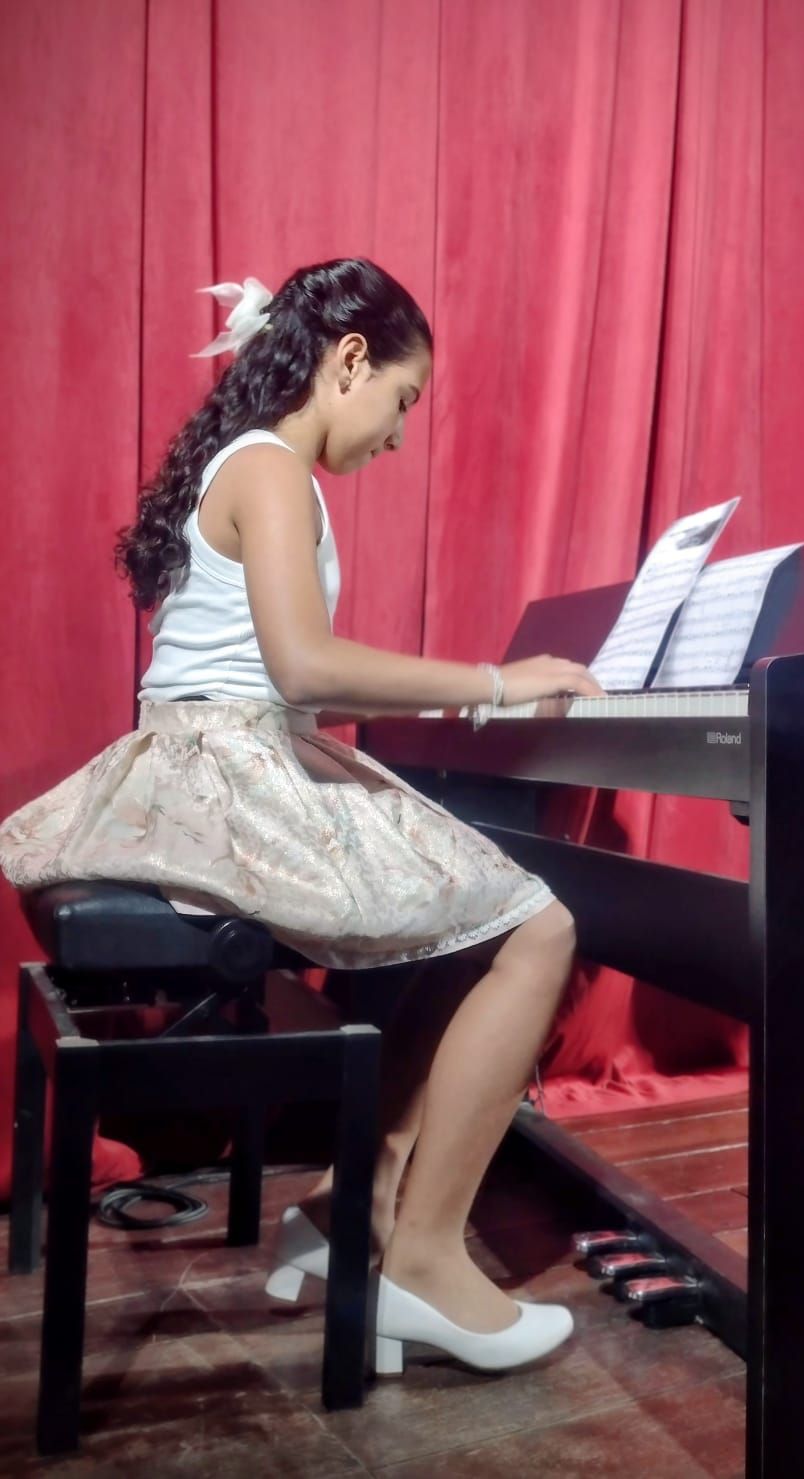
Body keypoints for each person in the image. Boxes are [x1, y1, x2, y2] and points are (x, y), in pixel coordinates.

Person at [0, 257, 604, 1375]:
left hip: (208, 761)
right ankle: (424, 1262)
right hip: (231, 775)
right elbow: (303, 666)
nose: (399, 434)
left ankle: (347, 1207)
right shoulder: (273, 468)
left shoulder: (248, 460)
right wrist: (497, 681)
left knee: (467, 932)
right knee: (541, 928)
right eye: (402, 401)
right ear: (349, 360)